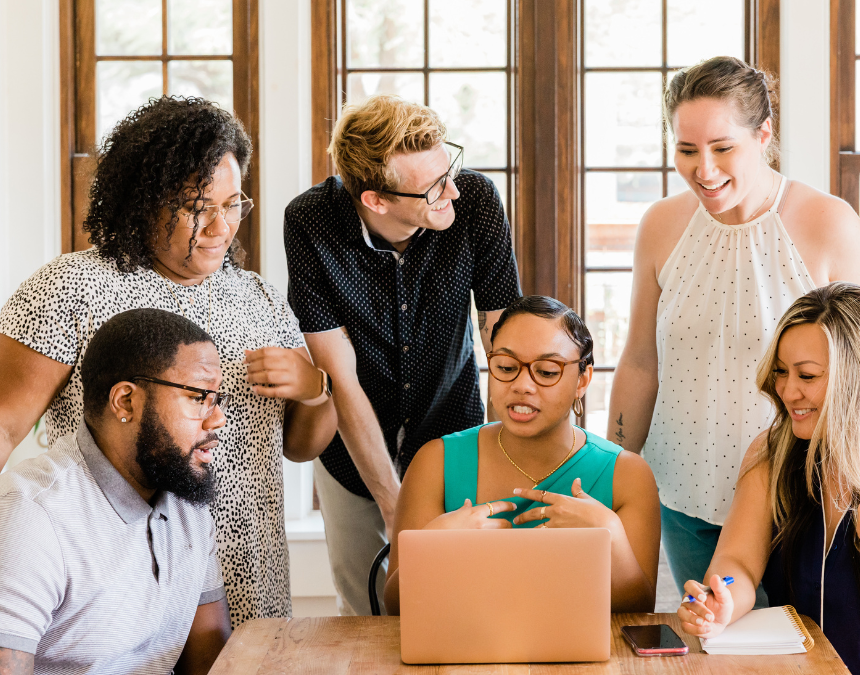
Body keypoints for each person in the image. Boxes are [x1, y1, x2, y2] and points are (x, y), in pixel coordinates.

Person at [0, 97, 337, 626]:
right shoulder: (70, 288)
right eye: (197, 207)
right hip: (119, 569)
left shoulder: (260, 299)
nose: (220, 228)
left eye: (232, 205)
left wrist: (316, 390)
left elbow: (300, 446)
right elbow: (4, 422)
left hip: (249, 566)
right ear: (144, 200)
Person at [607, 55, 860, 602]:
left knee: (803, 649)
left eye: (722, 147)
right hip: (684, 497)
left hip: (798, 497)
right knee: (718, 645)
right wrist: (611, 473)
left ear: (763, 134)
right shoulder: (661, 226)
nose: (703, 170)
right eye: (686, 150)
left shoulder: (828, 223)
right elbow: (641, 360)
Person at [284, 95, 521, 615]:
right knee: (366, 608)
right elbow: (338, 375)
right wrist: (394, 506)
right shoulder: (310, 222)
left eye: (449, 170)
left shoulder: (475, 200)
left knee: (459, 604)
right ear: (376, 200)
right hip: (350, 448)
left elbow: (505, 346)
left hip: (451, 429)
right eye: (433, 186)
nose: (451, 191)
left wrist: (515, 466)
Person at [383, 296, 660, 616]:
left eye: (545, 371)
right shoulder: (435, 462)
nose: (522, 385)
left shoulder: (628, 475)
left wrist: (609, 536)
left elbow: (639, 612)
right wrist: (433, 550)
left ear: (582, 380)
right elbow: (394, 607)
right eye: (506, 367)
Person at [679, 283, 860, 675]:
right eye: (781, 372)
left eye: (808, 375)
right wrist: (723, 598)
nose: (787, 390)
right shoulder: (772, 454)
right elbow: (739, 564)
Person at [0, 308, 232, 675]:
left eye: (216, 399)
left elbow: (211, 663)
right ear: (126, 401)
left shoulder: (188, 506)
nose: (216, 418)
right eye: (197, 396)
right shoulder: (33, 515)